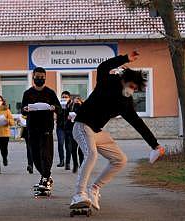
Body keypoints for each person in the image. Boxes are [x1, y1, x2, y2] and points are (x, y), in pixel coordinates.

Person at [70, 51, 165, 211]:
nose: (132, 91)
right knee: (91, 154)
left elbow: (138, 123)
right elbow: (103, 67)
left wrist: (155, 145)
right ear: (124, 80)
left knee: (120, 159)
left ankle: (94, 189)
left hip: (97, 131)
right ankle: (79, 194)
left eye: (136, 89)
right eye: (132, 86)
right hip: (81, 125)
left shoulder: (125, 103)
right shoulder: (107, 81)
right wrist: (125, 58)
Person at [21, 67, 61, 190]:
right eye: (37, 77)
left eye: (42, 77)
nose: (39, 79)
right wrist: (25, 109)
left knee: (46, 155)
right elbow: (22, 109)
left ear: (45, 78)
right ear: (33, 77)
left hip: (46, 128)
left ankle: (45, 179)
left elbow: (59, 108)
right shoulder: (28, 93)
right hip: (32, 128)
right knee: (35, 156)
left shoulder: (50, 92)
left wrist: (54, 107)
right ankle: (45, 177)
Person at [56, 91, 73, 170]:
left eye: (66, 97)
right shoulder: (59, 104)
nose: (64, 98)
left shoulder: (72, 105)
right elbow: (56, 112)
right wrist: (59, 108)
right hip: (60, 127)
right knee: (60, 143)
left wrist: (67, 107)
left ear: (69, 98)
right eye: (63, 97)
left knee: (68, 145)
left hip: (69, 127)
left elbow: (74, 113)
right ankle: (61, 161)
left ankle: (68, 163)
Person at [68, 96, 84, 173]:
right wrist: (68, 117)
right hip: (72, 129)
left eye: (78, 100)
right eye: (75, 100)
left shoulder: (83, 107)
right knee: (73, 149)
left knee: (81, 149)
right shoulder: (70, 107)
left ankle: (82, 165)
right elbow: (65, 117)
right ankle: (75, 165)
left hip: (81, 130)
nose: (76, 101)